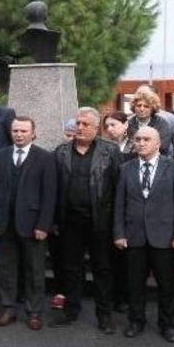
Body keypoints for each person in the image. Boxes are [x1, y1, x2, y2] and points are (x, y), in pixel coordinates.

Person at [114, 125, 174, 343]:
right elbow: (119, 203)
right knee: (135, 284)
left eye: (147, 139)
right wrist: (119, 233)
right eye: (138, 139)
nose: (141, 143)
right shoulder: (126, 168)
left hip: (165, 238)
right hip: (134, 236)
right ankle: (136, 321)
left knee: (166, 285)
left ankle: (168, 324)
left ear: (158, 143)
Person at [50, 108, 121, 334]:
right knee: (71, 268)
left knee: (102, 269)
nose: (79, 127)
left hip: (100, 221)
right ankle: (71, 311)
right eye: (78, 123)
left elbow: (118, 189)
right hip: (70, 221)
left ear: (96, 127)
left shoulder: (110, 152)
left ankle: (104, 315)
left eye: (85, 124)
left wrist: (117, 224)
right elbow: (54, 190)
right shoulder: (60, 152)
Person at [0, 117, 57, 331]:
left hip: (33, 224)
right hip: (5, 223)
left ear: (33, 133)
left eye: (24, 131)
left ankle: (34, 312)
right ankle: (8, 308)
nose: (19, 134)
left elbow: (49, 195)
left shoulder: (45, 158)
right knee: (6, 269)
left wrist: (44, 225)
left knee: (35, 270)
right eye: (16, 130)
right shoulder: (0, 156)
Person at [127, 90, 173, 156]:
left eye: (146, 106)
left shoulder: (162, 124)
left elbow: (163, 146)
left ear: (152, 108)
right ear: (134, 107)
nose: (142, 109)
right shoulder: (128, 124)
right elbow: (126, 147)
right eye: (139, 105)